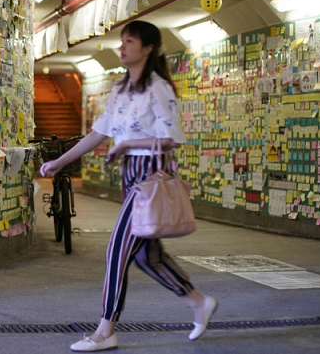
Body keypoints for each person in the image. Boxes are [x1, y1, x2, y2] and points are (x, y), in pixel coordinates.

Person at [40, 21, 217, 352]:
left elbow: (171, 139)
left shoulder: (158, 88)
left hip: (149, 176)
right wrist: (60, 161)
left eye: (129, 42)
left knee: (116, 250)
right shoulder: (121, 88)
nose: (122, 47)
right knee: (149, 258)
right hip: (131, 176)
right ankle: (198, 302)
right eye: (121, 41)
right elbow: (98, 134)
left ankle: (105, 330)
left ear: (147, 48)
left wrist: (126, 144)